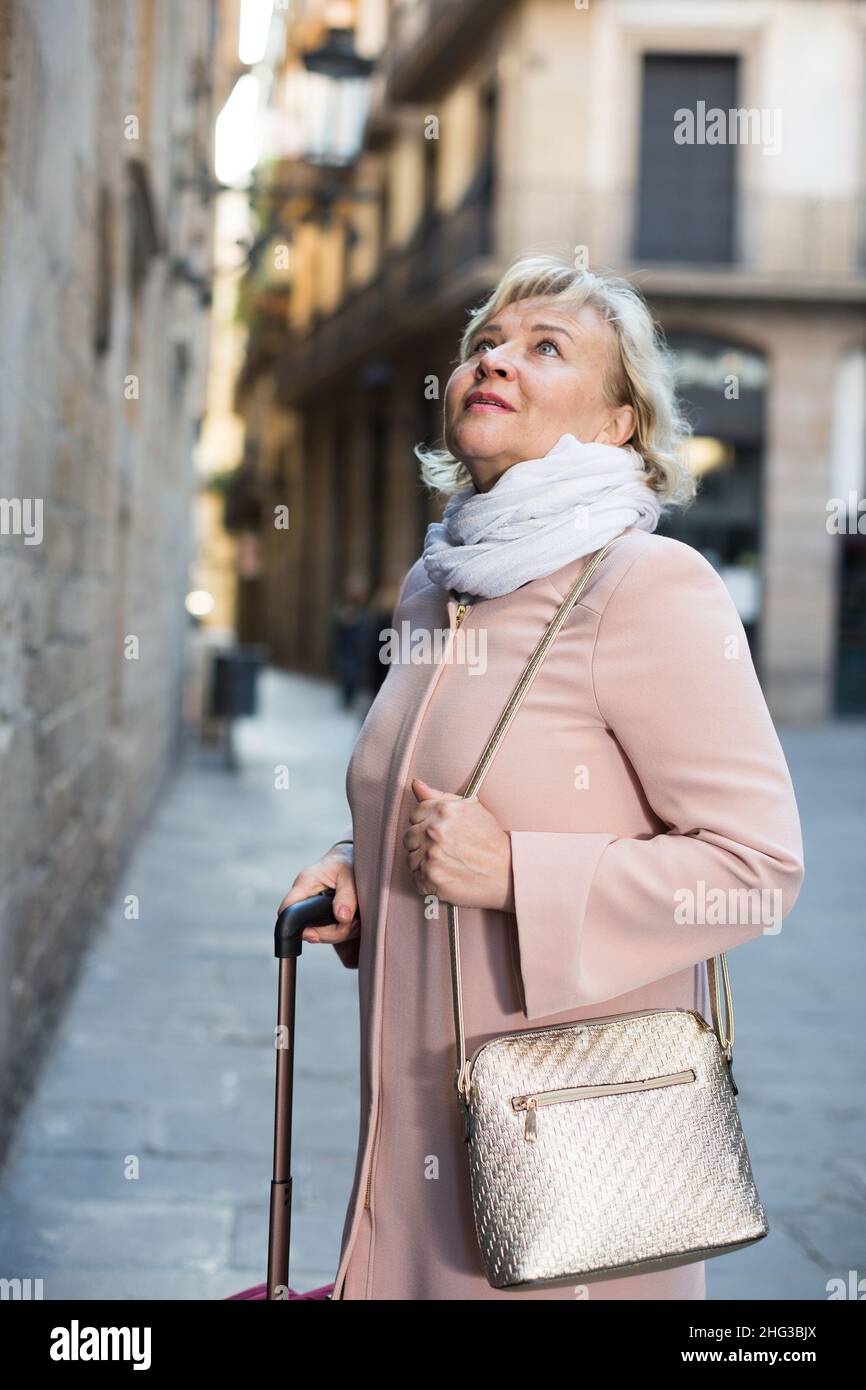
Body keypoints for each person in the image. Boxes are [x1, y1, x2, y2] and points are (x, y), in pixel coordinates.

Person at [277, 254, 805, 1301]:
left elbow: (755, 869)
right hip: (411, 1124)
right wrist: (355, 866)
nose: (494, 361)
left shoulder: (646, 584)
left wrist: (519, 871)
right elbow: (427, 793)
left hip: (565, 1159)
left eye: (543, 348)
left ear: (617, 423)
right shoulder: (435, 587)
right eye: (485, 343)